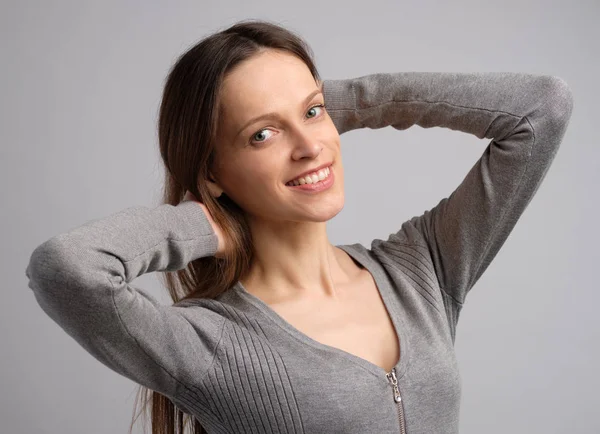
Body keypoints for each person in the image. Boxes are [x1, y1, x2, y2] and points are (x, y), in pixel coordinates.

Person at [25, 19, 574, 434]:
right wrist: (201, 223)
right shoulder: (208, 342)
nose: (310, 148)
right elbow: (64, 269)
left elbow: (540, 109)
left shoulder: (423, 269)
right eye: (262, 135)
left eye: (313, 114)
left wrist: (340, 102)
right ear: (213, 172)